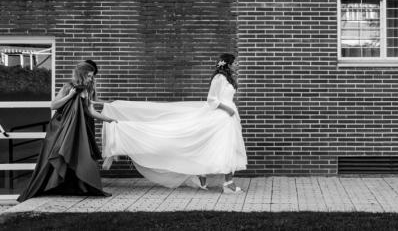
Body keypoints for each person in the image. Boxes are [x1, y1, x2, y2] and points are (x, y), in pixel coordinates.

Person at [102, 53, 247, 193]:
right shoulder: (219, 78)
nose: (238, 65)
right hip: (222, 116)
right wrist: (228, 109)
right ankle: (227, 184)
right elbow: (212, 99)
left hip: (226, 117)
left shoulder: (227, 78)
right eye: (235, 62)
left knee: (221, 148)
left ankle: (207, 176)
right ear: (227, 64)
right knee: (224, 147)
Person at [17, 62, 118, 202]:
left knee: (84, 157)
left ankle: (85, 187)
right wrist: (70, 95)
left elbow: (90, 111)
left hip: (78, 129)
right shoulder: (68, 87)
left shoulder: (87, 90)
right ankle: (56, 187)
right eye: (88, 76)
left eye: (91, 76)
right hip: (63, 129)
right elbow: (53, 105)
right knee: (59, 157)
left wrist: (110, 119)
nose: (90, 79)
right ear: (81, 74)